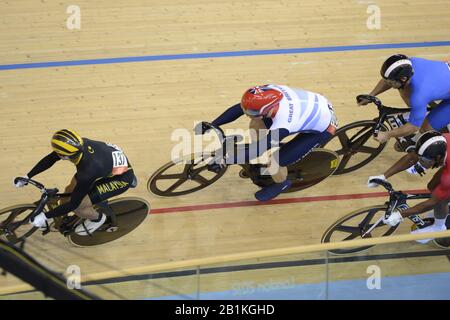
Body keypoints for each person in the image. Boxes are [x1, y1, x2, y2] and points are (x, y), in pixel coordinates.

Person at [197, 84, 338, 201]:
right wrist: (213, 124)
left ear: (268, 108)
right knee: (256, 123)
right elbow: (240, 108)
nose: (246, 114)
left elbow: (258, 150)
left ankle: (282, 183)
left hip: (322, 129)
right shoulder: (267, 93)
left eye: (252, 111)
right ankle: (271, 147)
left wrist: (224, 160)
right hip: (314, 107)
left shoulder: (283, 123)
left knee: (275, 161)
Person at [13, 129, 137, 236]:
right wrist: (28, 176)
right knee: (69, 190)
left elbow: (73, 204)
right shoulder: (77, 146)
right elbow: (51, 158)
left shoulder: (88, 171)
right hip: (106, 166)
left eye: (58, 152)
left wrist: (45, 216)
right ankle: (60, 216)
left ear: (64, 155)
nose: (56, 154)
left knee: (79, 207)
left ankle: (98, 219)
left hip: (121, 178)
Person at [367, 130, 449, 243]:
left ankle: (439, 227)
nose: (420, 162)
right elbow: (412, 157)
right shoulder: (439, 141)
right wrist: (383, 176)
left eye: (424, 160)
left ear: (439, 157)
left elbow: (433, 201)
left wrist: (401, 215)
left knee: (441, 199)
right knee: (432, 187)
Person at [358, 54, 450, 144]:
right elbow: (389, 80)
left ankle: (419, 140)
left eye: (391, 82)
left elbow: (414, 127)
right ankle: (418, 113)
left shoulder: (419, 95)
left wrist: (388, 134)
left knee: (426, 127)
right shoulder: (409, 64)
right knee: (403, 88)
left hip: (430, 88)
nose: (389, 84)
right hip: (439, 80)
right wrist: (371, 95)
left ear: (404, 78)